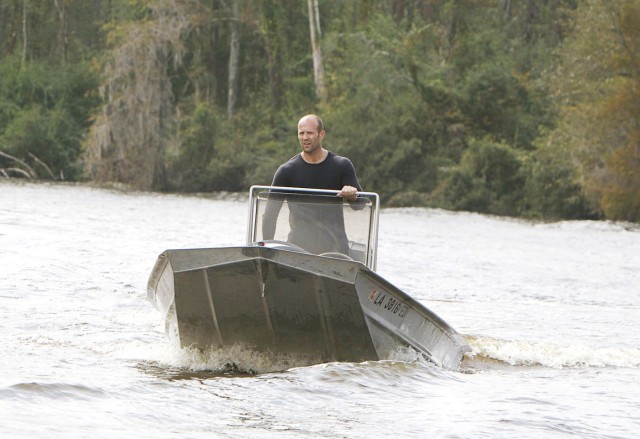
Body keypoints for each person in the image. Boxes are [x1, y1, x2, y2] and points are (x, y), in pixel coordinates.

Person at [262, 114, 362, 255]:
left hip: (335, 250)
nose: (305, 138)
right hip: (297, 250)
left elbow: (362, 204)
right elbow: (270, 216)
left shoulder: (342, 165)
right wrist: (267, 250)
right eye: (301, 133)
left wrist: (352, 195)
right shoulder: (286, 171)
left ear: (321, 134)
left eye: (309, 133)